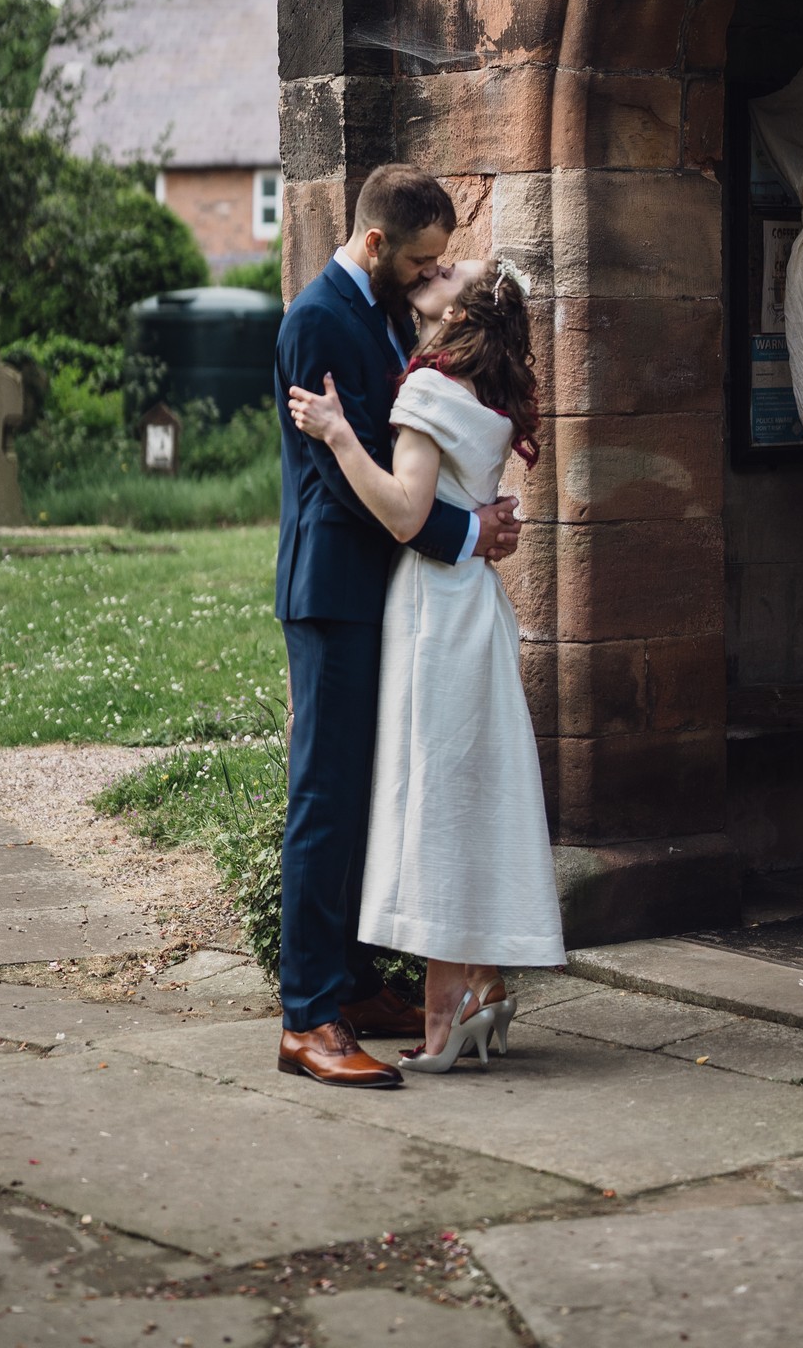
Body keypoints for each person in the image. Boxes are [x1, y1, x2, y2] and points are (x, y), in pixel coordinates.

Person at [273, 166, 523, 1089]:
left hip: (385, 591)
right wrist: (469, 531)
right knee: (325, 802)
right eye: (420, 260)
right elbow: (346, 474)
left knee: (369, 797)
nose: (432, 276)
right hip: (332, 590)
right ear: (375, 244)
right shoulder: (316, 320)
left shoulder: (383, 311)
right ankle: (307, 1018)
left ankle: (353, 983)